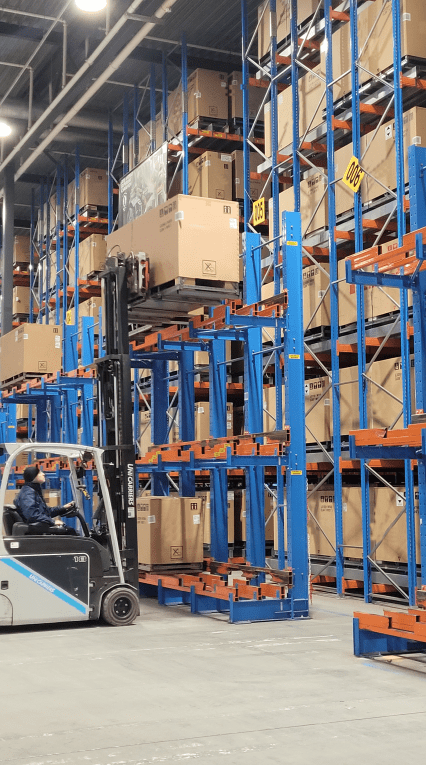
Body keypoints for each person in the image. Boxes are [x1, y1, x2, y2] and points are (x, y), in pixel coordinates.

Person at [14, 465, 78, 536]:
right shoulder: (28, 493)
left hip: (39, 526)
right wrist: (52, 521)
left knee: (70, 531)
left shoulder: (33, 491)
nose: (43, 474)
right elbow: (32, 515)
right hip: (36, 529)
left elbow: (46, 512)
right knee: (70, 532)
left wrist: (63, 508)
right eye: (39, 473)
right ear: (33, 476)